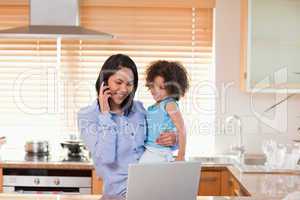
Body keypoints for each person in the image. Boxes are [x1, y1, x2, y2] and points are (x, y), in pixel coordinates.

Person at [77, 54, 177, 198]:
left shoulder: (139, 110)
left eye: (129, 84)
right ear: (104, 82)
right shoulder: (88, 116)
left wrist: (173, 138)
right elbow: (106, 157)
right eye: (118, 82)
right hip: (117, 196)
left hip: (151, 192)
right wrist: (105, 115)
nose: (124, 89)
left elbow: (157, 142)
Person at [139, 60, 189, 163]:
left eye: (161, 87)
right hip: (149, 150)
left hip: (160, 153)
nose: (155, 90)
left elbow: (182, 129)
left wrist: (181, 155)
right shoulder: (152, 108)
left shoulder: (169, 104)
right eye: (153, 86)